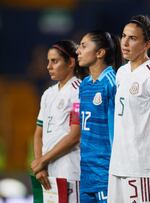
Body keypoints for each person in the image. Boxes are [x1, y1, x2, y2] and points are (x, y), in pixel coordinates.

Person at [108, 15, 150, 203]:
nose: (125, 42)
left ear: (147, 44)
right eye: (123, 36)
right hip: (117, 164)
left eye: (132, 38)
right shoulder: (121, 72)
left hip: (141, 166)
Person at [31, 40, 87, 201]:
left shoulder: (79, 91)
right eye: (48, 61)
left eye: (54, 61)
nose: (49, 66)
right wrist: (40, 167)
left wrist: (41, 161)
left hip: (68, 171)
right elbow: (38, 134)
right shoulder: (48, 94)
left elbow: (74, 135)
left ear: (70, 62)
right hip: (46, 172)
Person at [76, 30, 122, 202]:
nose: (78, 51)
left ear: (100, 52)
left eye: (83, 46)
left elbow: (117, 130)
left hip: (105, 172)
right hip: (86, 172)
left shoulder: (112, 82)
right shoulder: (84, 85)